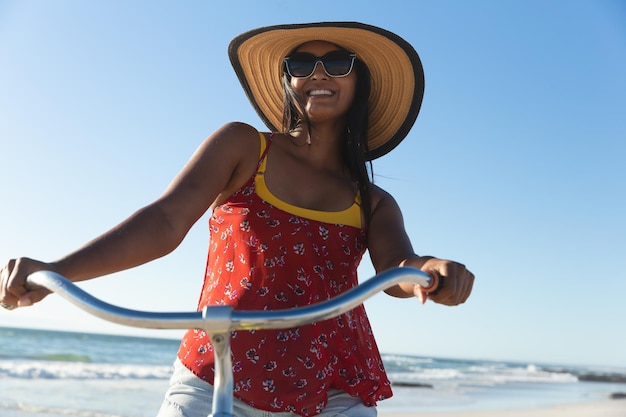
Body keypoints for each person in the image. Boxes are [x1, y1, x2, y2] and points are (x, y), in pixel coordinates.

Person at [1, 22, 474, 417]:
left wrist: (428, 273)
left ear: (359, 80)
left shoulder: (372, 200)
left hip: (334, 388)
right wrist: (57, 271)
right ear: (288, 80)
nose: (317, 74)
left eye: (337, 63)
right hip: (217, 370)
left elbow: (396, 268)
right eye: (301, 65)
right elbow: (165, 221)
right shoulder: (243, 145)